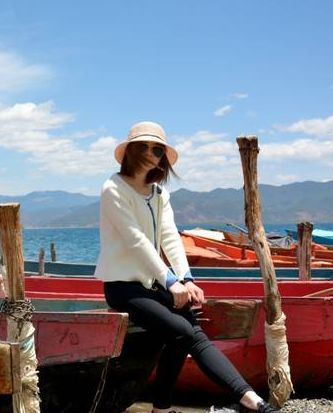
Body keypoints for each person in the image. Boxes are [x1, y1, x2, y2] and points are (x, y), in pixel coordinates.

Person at [94, 121, 278, 413]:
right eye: (144, 147)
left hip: (153, 285)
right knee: (182, 331)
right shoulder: (113, 189)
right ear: (130, 151)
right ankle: (246, 401)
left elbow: (170, 237)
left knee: (190, 332)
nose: (151, 153)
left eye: (157, 149)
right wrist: (170, 282)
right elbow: (135, 240)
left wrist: (187, 278)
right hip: (123, 287)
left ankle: (248, 400)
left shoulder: (159, 194)